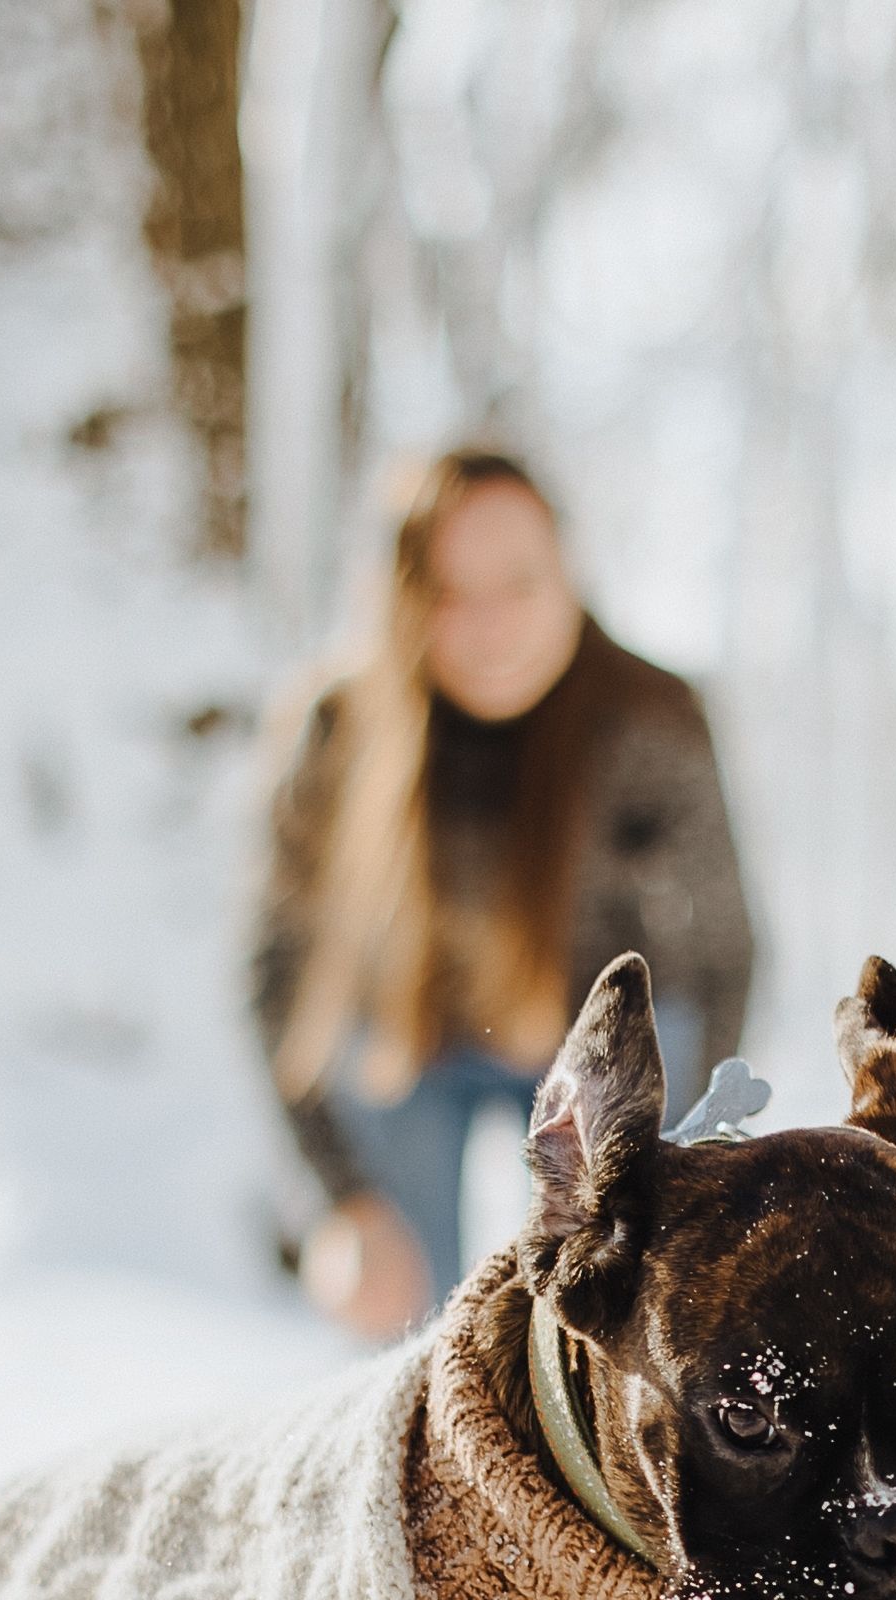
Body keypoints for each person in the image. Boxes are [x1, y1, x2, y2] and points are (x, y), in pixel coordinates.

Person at [253, 451, 759, 1336]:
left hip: (605, 1049)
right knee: (408, 1338)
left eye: (519, 583)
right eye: (450, 593)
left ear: (568, 574)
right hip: (410, 1045)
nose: (490, 626)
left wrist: (685, 1173)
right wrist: (345, 1201)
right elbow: (277, 976)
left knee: (612, 1312)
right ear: (404, 602)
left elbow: (727, 953)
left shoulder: (654, 718)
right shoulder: (336, 728)